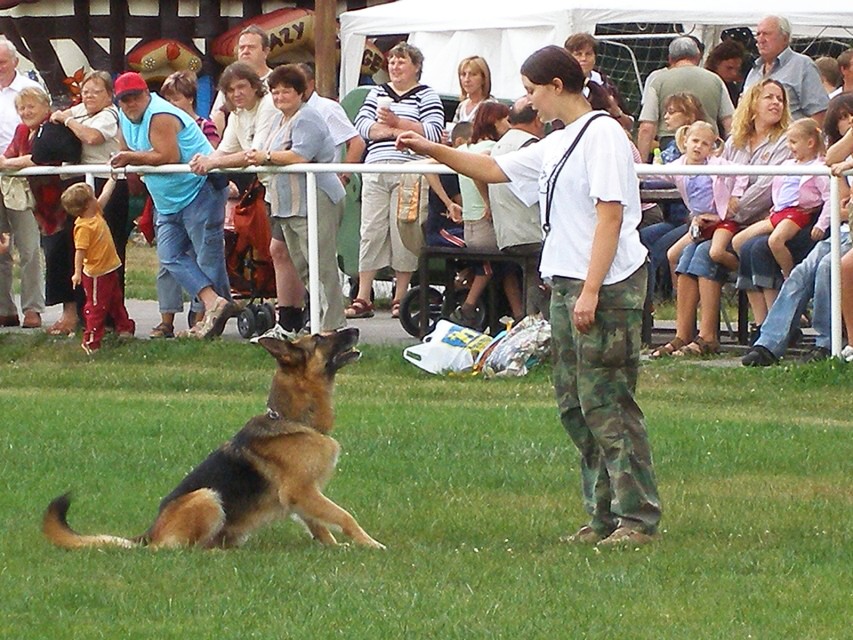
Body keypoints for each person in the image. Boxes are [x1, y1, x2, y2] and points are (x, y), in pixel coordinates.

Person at [397, 45, 662, 546]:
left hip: (604, 287)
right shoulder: (560, 141)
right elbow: (495, 170)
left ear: (557, 87)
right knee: (574, 406)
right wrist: (430, 150)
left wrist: (589, 290)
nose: (528, 100)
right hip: (566, 282)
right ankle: (602, 516)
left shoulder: (603, 133)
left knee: (607, 404)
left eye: (532, 89)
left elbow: (610, 216)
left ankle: (638, 518)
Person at [652, 79, 792, 358]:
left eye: (780, 99)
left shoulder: (785, 143)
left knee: (704, 253)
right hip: (720, 220)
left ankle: (708, 337)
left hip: (756, 222)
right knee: (684, 255)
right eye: (769, 97)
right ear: (752, 103)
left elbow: (765, 189)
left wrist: (725, 212)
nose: (776, 103)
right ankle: (683, 334)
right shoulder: (734, 142)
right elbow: (713, 180)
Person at [110, 71, 234, 339]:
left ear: (146, 94)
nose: (130, 104)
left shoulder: (160, 114)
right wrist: (128, 159)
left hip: (201, 188)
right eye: (124, 100)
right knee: (169, 255)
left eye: (134, 97)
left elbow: (167, 156)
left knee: (206, 256)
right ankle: (217, 303)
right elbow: (126, 151)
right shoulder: (122, 116)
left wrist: (129, 158)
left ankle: (206, 322)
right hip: (167, 198)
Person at [189, 62, 305, 332]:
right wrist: (205, 160)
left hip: (293, 186)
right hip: (272, 189)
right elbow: (225, 150)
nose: (237, 93)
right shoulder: (238, 115)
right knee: (280, 251)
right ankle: (290, 318)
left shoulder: (267, 107)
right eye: (230, 90)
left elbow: (254, 153)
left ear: (255, 86)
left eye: (242, 86)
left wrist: (213, 164)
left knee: (299, 253)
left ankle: (315, 317)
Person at [243, 64, 347, 332]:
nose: (280, 97)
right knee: (303, 266)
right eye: (275, 92)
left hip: (317, 198)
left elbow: (301, 155)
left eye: (286, 91)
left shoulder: (307, 118)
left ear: (301, 92)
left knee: (321, 265)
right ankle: (317, 322)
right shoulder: (280, 120)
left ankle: (331, 328)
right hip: (288, 205)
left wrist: (266, 157)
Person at [349, 42, 444, 320]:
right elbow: (364, 127)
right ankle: (363, 296)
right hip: (376, 168)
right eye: (392, 61)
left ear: (416, 66)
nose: (395, 66)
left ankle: (400, 296)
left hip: (410, 169)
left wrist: (396, 123)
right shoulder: (376, 93)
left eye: (401, 61)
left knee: (405, 228)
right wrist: (397, 131)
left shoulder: (427, 96)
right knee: (371, 229)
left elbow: (433, 132)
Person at [0, 86, 80, 336]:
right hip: (30, 201)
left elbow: (41, 157)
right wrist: (8, 162)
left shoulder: (53, 128)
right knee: (19, 252)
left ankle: (50, 311)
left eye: (31, 106)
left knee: (44, 253)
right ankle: (9, 309)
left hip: (56, 202)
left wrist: (7, 163)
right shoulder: (22, 131)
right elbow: (11, 154)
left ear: (46, 107)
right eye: (21, 108)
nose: (26, 112)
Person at [148, 69, 220, 338]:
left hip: (199, 195)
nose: (170, 105)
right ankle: (166, 319)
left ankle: (203, 316)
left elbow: (210, 157)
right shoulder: (156, 124)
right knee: (167, 261)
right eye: (167, 99)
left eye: (176, 99)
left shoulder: (204, 126)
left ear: (190, 99)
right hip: (165, 198)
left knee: (203, 258)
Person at [50, 71, 131, 294]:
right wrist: (63, 116)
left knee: (109, 245)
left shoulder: (109, 115)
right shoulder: (79, 111)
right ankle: (85, 307)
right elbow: (56, 115)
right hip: (80, 183)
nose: (89, 96)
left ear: (109, 95)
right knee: (81, 246)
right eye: (85, 92)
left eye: (97, 92)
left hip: (108, 182)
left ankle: (114, 313)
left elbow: (92, 137)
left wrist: (67, 121)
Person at [449, 101, 524, 327]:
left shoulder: (463, 150)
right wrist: (487, 202)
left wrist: (447, 201)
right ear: (494, 121)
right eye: (506, 120)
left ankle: (519, 314)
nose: (510, 125)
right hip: (486, 225)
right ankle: (469, 306)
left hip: (469, 227)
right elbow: (478, 175)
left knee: (507, 267)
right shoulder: (491, 148)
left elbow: (432, 165)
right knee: (507, 261)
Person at [732, 118, 830, 284]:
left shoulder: (818, 168)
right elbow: (780, 188)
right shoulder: (788, 164)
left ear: (810, 143)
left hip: (797, 213)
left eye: (793, 142)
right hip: (779, 212)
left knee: (775, 241)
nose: (789, 147)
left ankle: (791, 278)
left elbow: (829, 197)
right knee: (738, 241)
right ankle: (755, 277)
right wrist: (775, 206)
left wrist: (821, 223)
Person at [0, 35, 44, 329]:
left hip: (21, 176)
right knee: (0, 247)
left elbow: (40, 133)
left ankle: (32, 308)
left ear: (15, 62)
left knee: (28, 246)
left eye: (2, 61)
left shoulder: (30, 91)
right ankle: (5, 309)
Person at [488, 96, 547, 315]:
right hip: (532, 233)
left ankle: (529, 322)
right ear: (538, 120)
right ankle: (541, 328)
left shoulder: (499, 146)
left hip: (507, 233)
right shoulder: (530, 146)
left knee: (533, 274)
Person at [62, 180, 135, 354]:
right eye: (93, 198)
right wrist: (77, 272)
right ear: (87, 205)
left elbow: (105, 196)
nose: (97, 199)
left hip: (109, 269)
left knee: (115, 301)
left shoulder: (96, 214)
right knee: (96, 307)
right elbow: (80, 252)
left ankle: (124, 327)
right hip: (96, 275)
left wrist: (112, 179)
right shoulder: (84, 227)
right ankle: (91, 340)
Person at [637, 36, 734, 161]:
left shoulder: (658, 81)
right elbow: (730, 123)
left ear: (670, 59)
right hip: (708, 148)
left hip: (670, 148)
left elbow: (647, 128)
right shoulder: (715, 80)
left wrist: (641, 167)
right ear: (698, 56)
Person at [743, 15, 828, 123]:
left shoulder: (802, 66)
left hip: (788, 137)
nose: (760, 40)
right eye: (758, 34)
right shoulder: (755, 70)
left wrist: (801, 138)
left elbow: (820, 113)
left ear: (785, 38)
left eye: (766, 34)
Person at [296, 62, 366, 187]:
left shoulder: (327, 108)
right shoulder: (286, 111)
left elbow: (357, 143)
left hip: (323, 186)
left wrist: (344, 178)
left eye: (299, 84)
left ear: (311, 84)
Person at [210, 24, 273, 135]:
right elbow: (217, 117)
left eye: (251, 47)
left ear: (266, 52)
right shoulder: (230, 83)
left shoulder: (276, 81)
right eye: (242, 48)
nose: (245, 51)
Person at [564, 32, 633, 130]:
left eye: (588, 54)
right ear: (568, 57)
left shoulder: (606, 84)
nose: (583, 58)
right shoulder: (561, 86)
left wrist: (616, 112)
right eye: (578, 54)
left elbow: (629, 125)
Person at [705, 39, 748, 107]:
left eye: (737, 69)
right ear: (716, 63)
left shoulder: (733, 89)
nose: (734, 73)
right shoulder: (706, 84)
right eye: (729, 68)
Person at [453, 56, 493, 123]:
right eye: (463, 74)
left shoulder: (491, 106)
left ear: (483, 78)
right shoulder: (462, 106)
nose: (467, 79)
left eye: (473, 74)